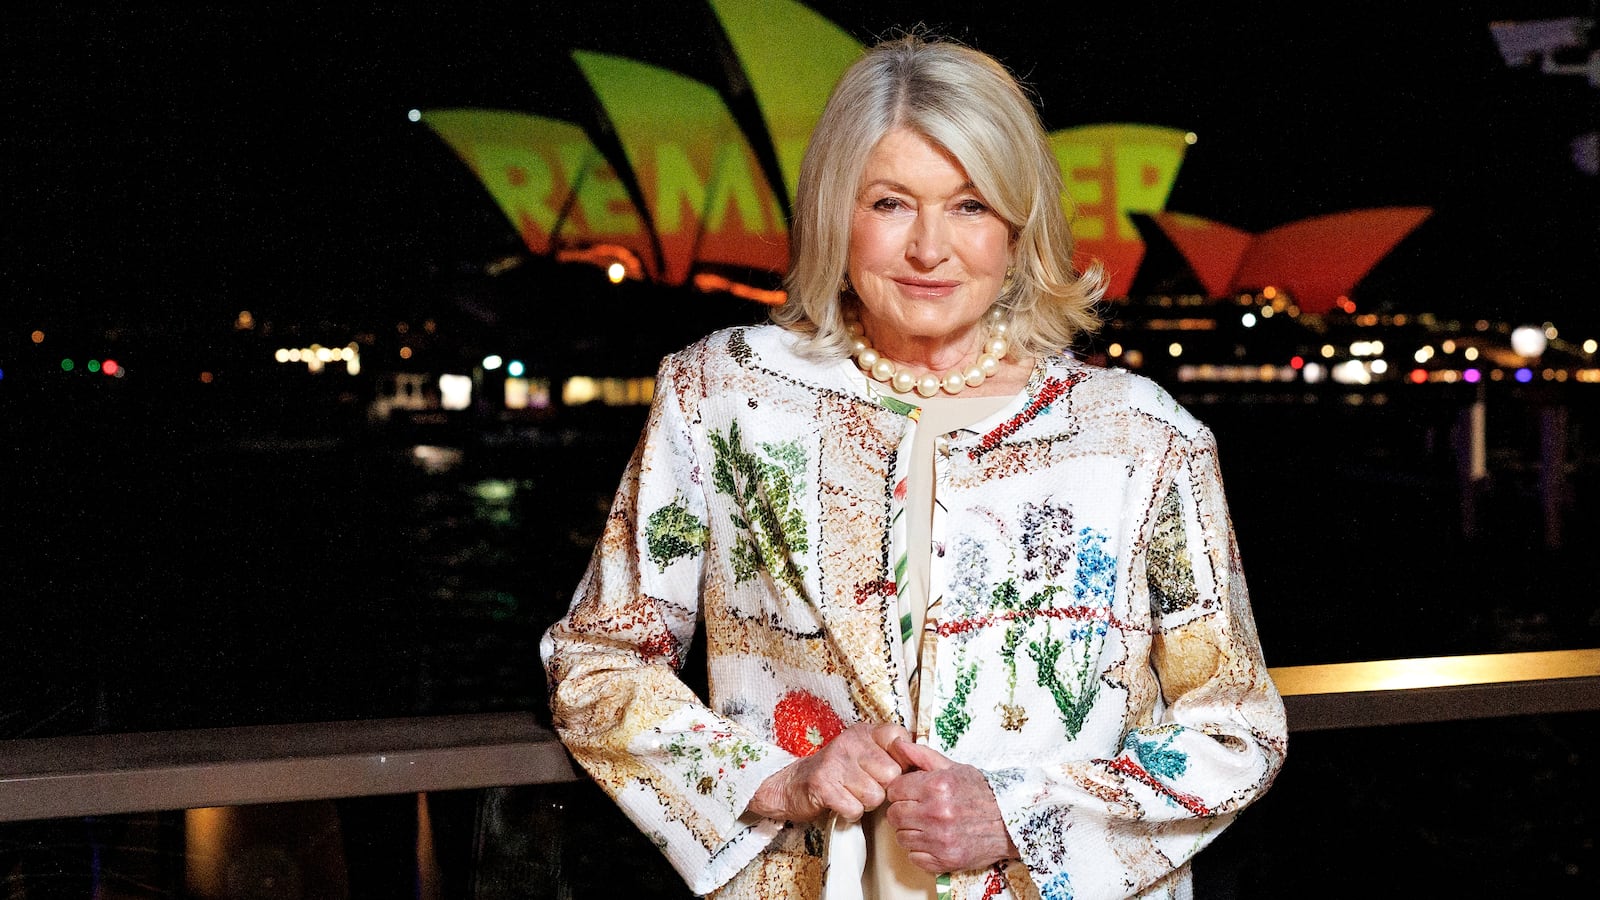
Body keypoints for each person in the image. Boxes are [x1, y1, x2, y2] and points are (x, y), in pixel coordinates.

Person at [540, 33, 1287, 900]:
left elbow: (1237, 729)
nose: (931, 248)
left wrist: (1022, 813)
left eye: (970, 206)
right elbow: (597, 660)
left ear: (1018, 227)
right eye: (891, 202)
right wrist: (776, 779)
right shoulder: (723, 394)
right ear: (835, 214)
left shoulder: (1142, 437)